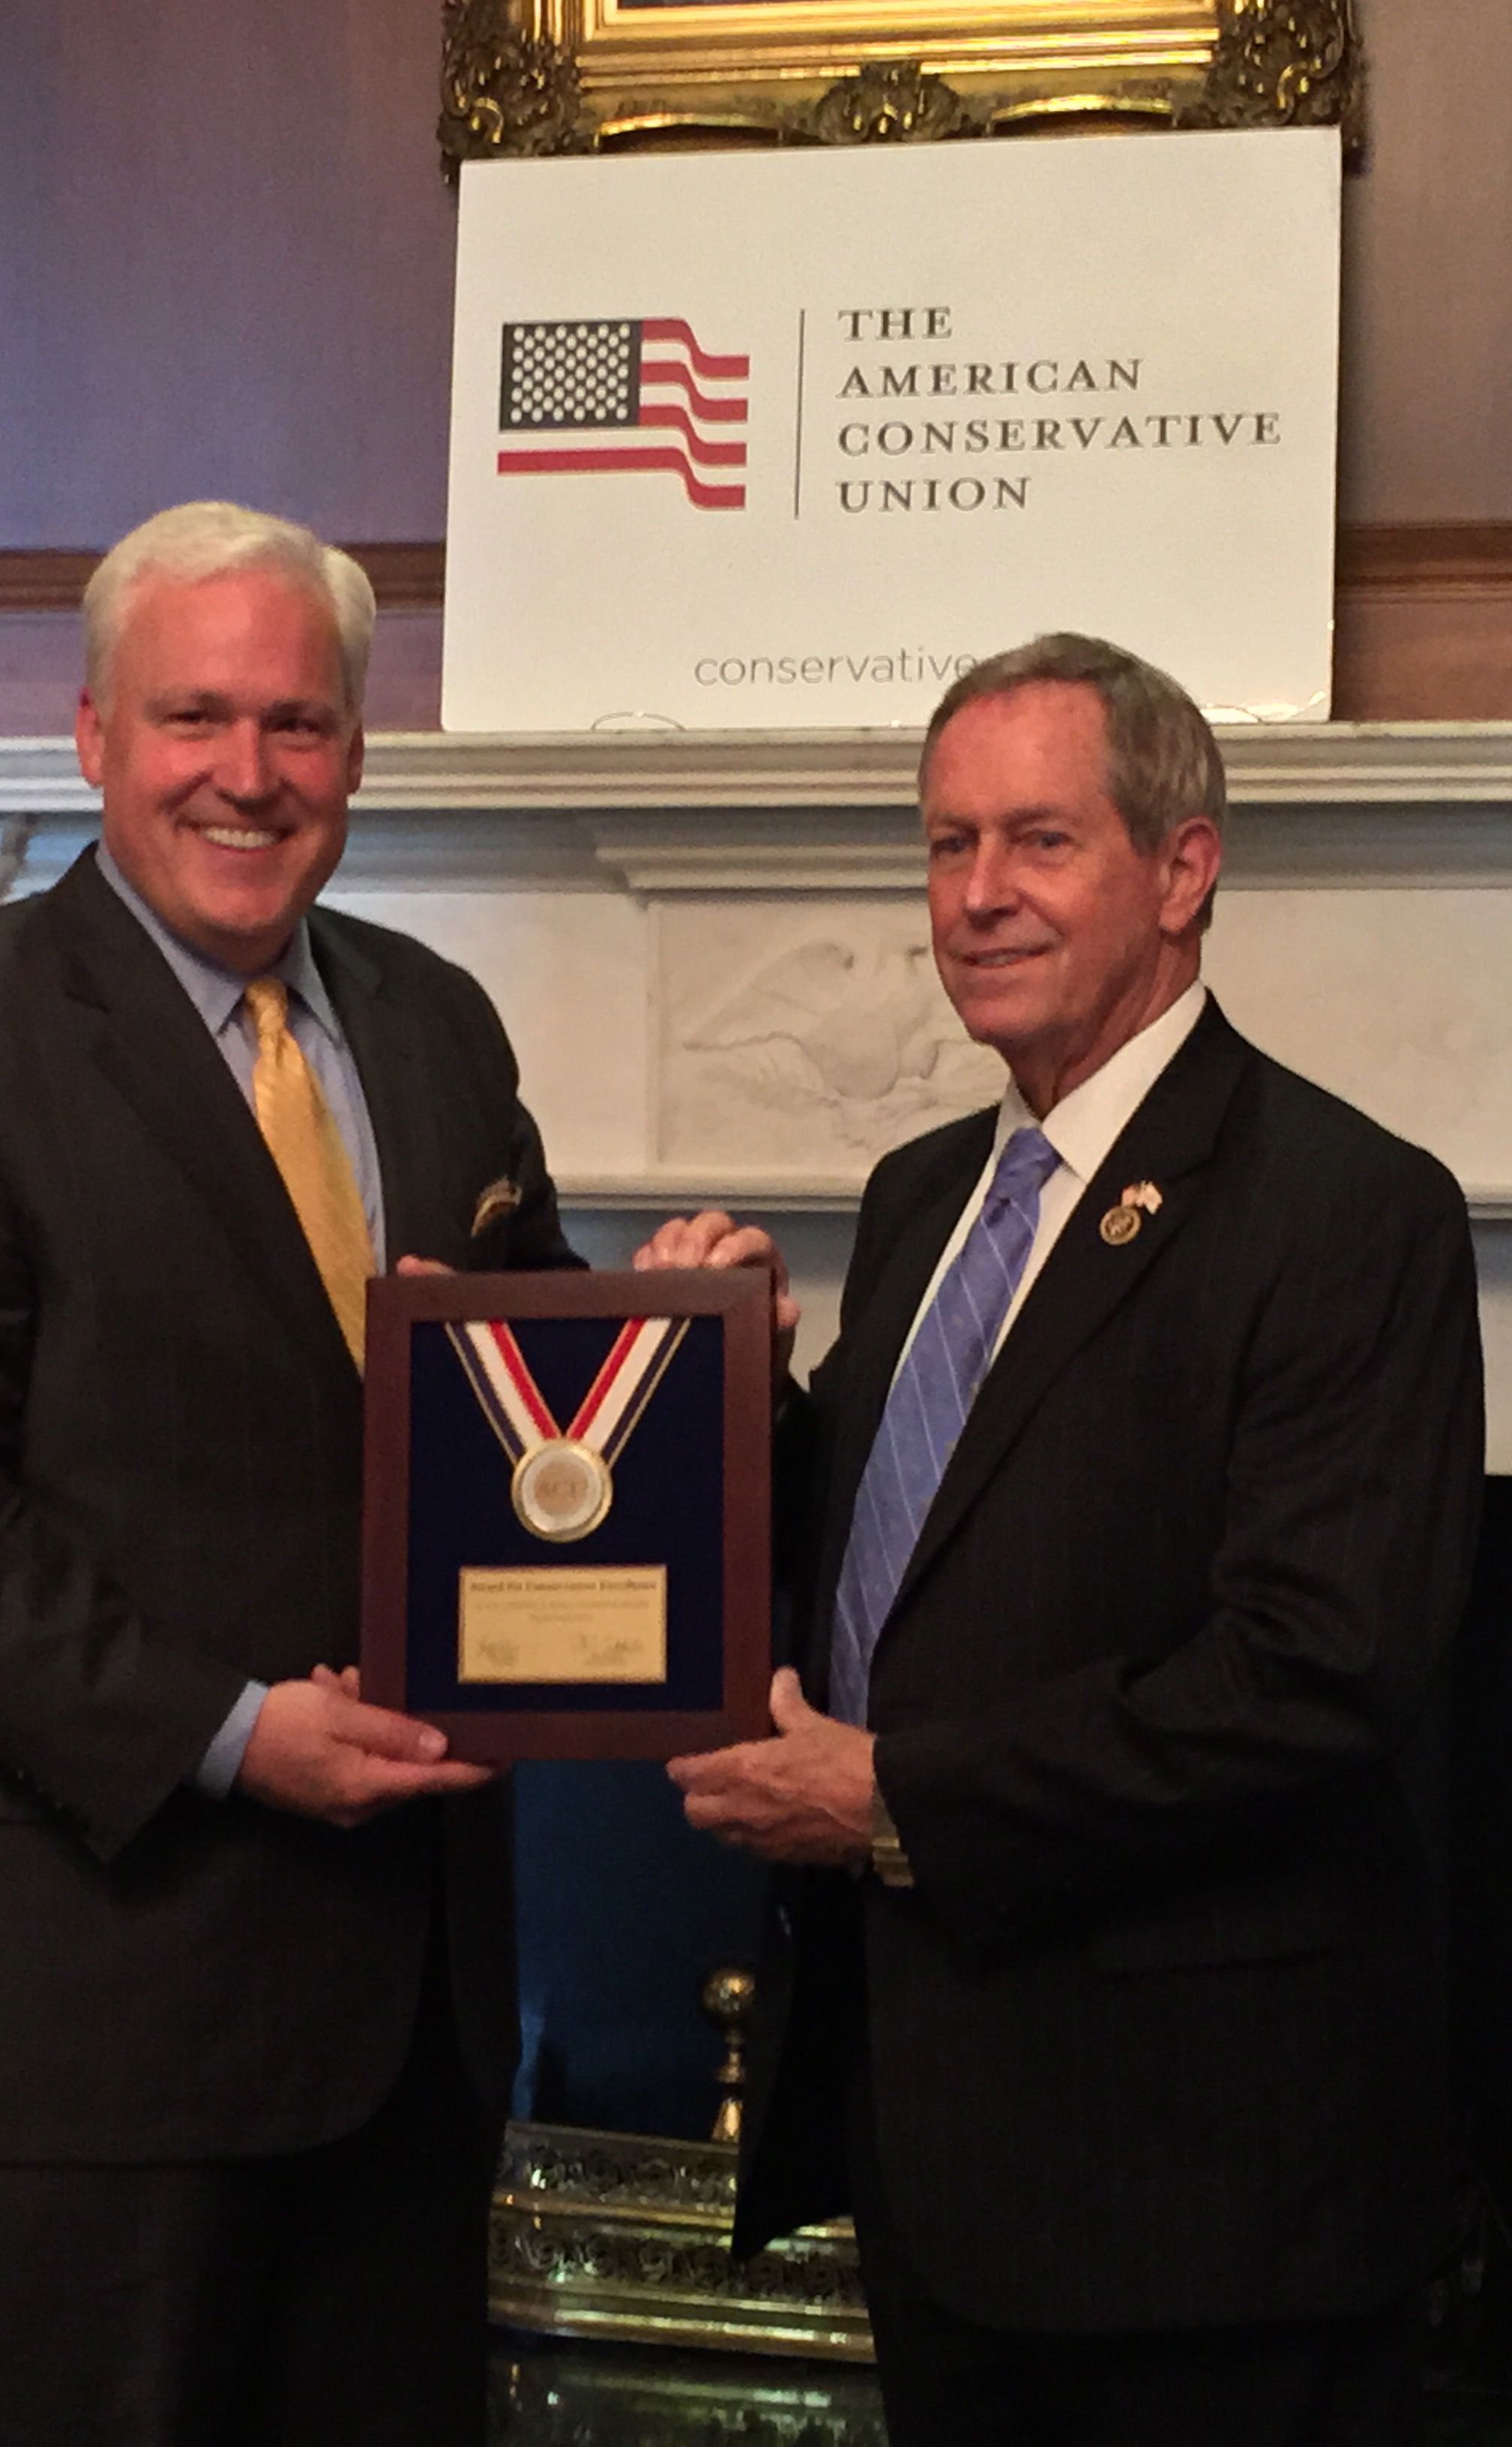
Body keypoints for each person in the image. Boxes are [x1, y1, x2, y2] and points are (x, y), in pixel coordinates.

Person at [0, 501, 578, 2447]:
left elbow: (523, 1404)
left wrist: (693, 1355)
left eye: (297, 724)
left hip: (396, 2027)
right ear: (94, 737)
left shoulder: (433, 1023)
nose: (247, 772)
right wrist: (227, 1729)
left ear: (360, 754)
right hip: (62, 2020)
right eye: (194, 716)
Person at [637, 634, 1484, 2447]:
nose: (979, 897)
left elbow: (1313, 1677)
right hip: (938, 2156)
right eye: (948, 846)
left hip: (1204, 2203)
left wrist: (894, 1800)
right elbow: (911, 1557)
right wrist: (738, 1400)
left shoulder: (1350, 1215)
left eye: (1039, 841)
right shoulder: (927, 1190)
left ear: (1185, 872)